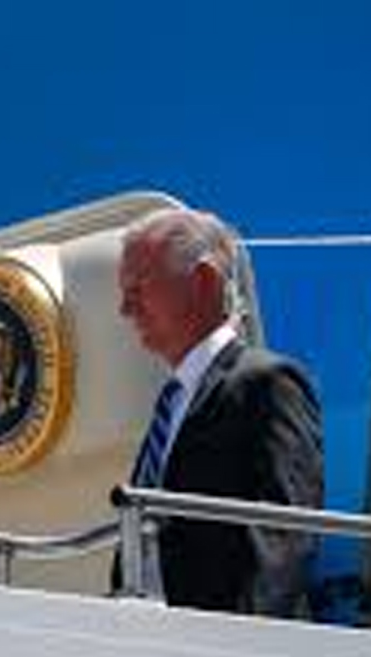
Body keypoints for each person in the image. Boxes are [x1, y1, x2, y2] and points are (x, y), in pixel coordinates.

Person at [115, 206, 323, 614]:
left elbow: (286, 529)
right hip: (150, 634)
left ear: (204, 282)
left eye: (138, 288)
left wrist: (240, 635)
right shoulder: (173, 400)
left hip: (222, 639)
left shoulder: (267, 382)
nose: (125, 309)